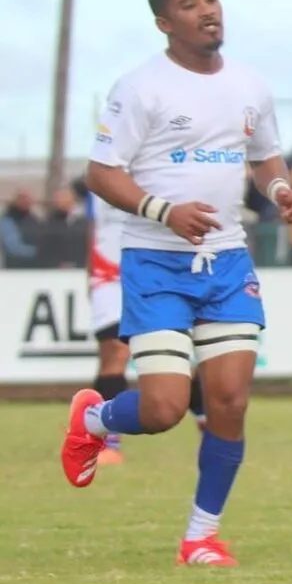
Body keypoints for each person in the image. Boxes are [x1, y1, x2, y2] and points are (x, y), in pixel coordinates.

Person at [59, 0, 292, 567]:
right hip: (157, 262)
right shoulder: (140, 88)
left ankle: (201, 535)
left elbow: (267, 159)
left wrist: (278, 193)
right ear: (166, 23)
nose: (208, 10)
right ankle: (95, 417)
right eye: (191, 4)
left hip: (226, 263)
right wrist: (162, 210)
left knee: (230, 401)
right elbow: (100, 173)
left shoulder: (251, 85)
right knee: (166, 407)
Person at [85, 179, 211, 468]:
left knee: (173, 359)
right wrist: (89, 275)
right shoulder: (103, 167)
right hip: (109, 274)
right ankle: (107, 443)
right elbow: (93, 228)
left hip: (153, 268)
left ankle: (208, 424)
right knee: (114, 353)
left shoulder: (161, 164)